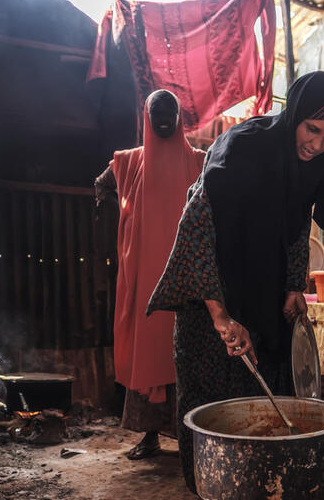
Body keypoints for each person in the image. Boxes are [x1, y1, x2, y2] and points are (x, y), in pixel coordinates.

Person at [146, 71, 324, 491]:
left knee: (264, 405)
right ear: (294, 114)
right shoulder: (243, 148)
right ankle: (207, 489)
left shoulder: (316, 166)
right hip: (212, 294)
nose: (317, 145)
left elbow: (297, 228)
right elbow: (196, 230)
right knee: (212, 410)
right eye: (311, 129)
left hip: (265, 299)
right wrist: (220, 316)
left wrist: (294, 287)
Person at [95, 89, 205, 460]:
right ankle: (150, 434)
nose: (163, 121)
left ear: (179, 117)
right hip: (145, 275)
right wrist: (127, 219)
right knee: (149, 349)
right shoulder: (129, 163)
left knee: (187, 352)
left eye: (168, 114)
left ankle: (192, 437)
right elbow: (101, 184)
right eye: (156, 115)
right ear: (147, 117)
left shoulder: (201, 162)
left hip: (186, 276)